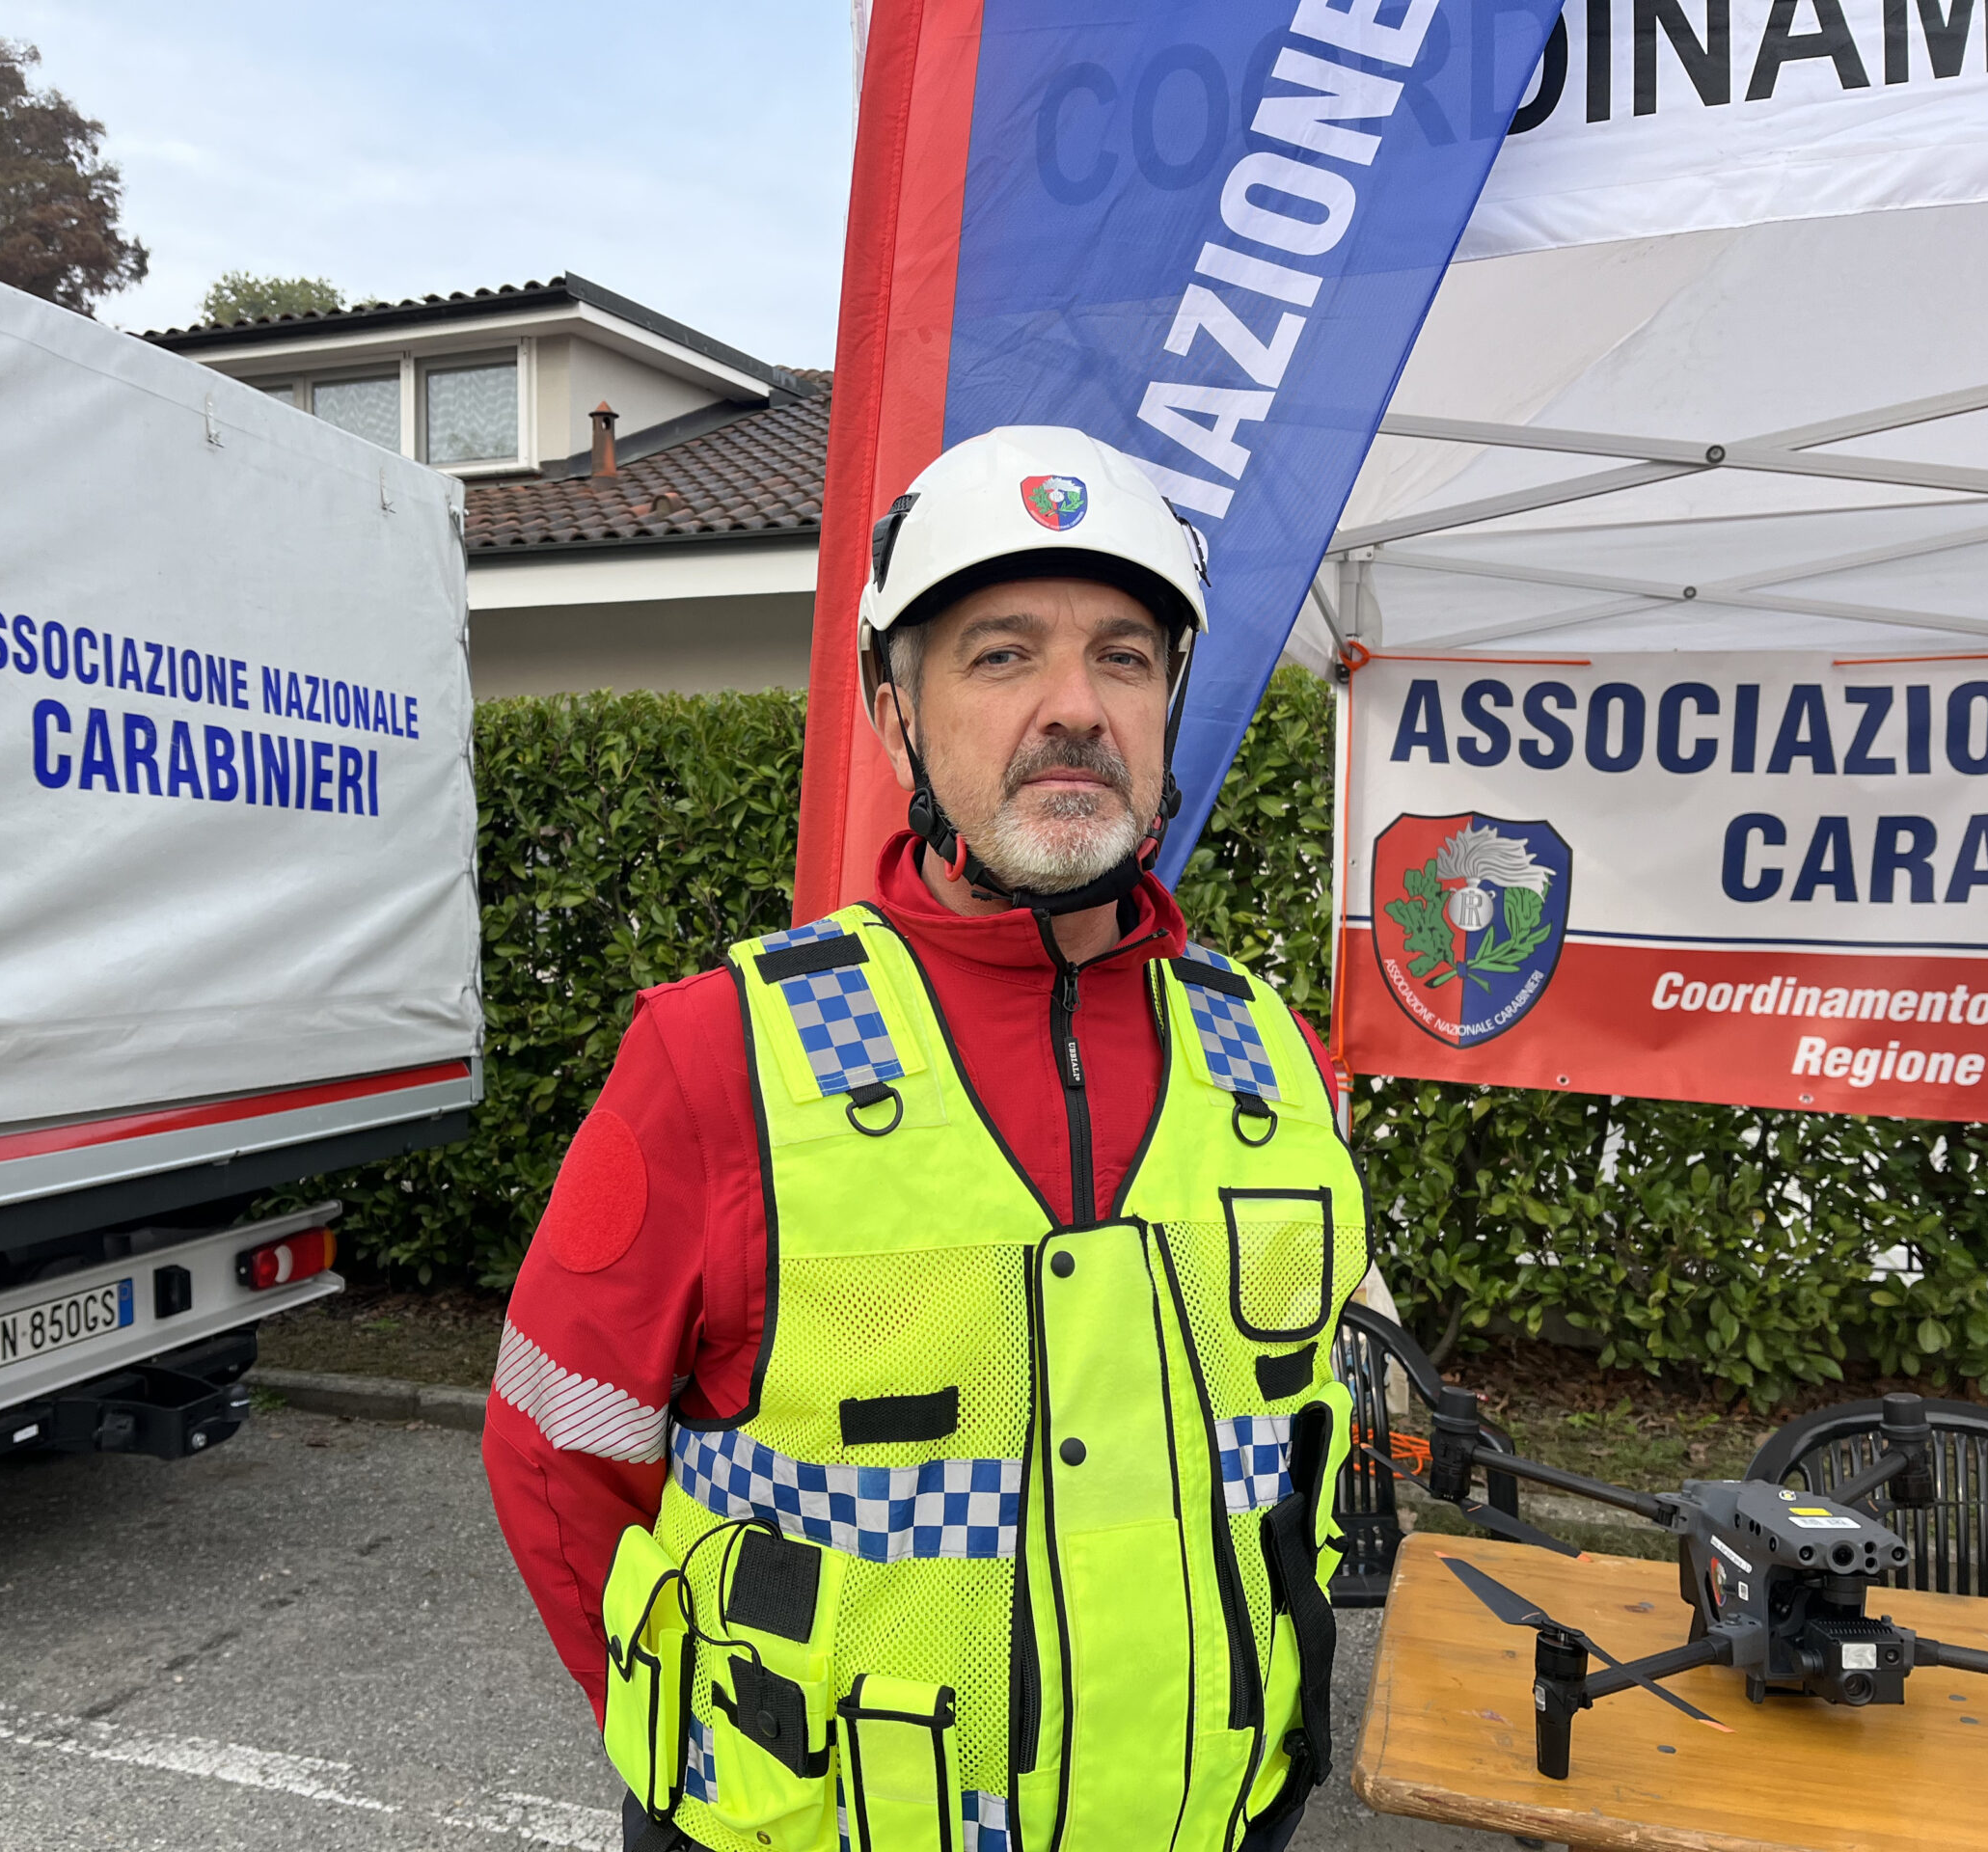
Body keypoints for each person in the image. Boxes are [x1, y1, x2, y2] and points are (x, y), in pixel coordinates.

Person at [484, 426, 1365, 1852]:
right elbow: (555, 1454)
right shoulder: (721, 1058)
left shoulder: (1273, 1055)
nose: (1074, 707)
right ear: (897, 715)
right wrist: (708, 1750)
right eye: (1002, 653)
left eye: (1125, 657)